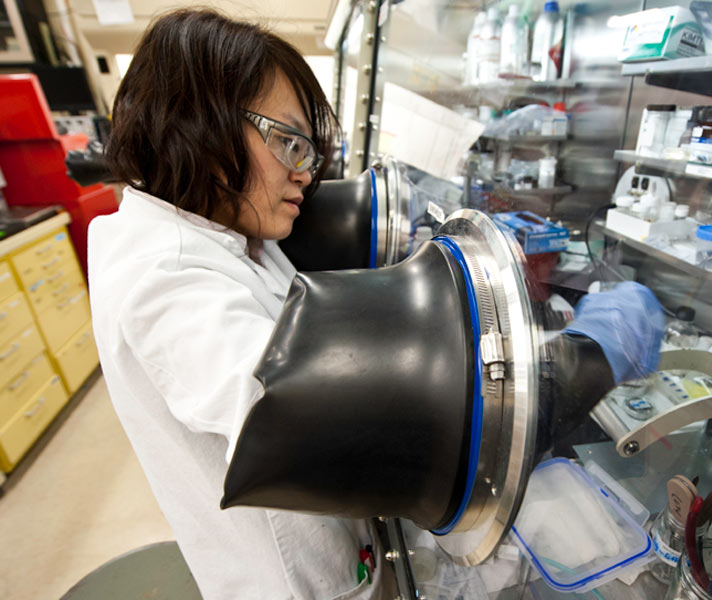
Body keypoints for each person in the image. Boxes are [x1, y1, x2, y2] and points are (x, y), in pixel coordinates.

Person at [88, 8, 664, 600]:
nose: (305, 175)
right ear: (197, 124)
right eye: (287, 142)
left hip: (341, 549)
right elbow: (308, 408)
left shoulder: (219, 232)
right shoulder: (164, 278)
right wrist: (586, 357)